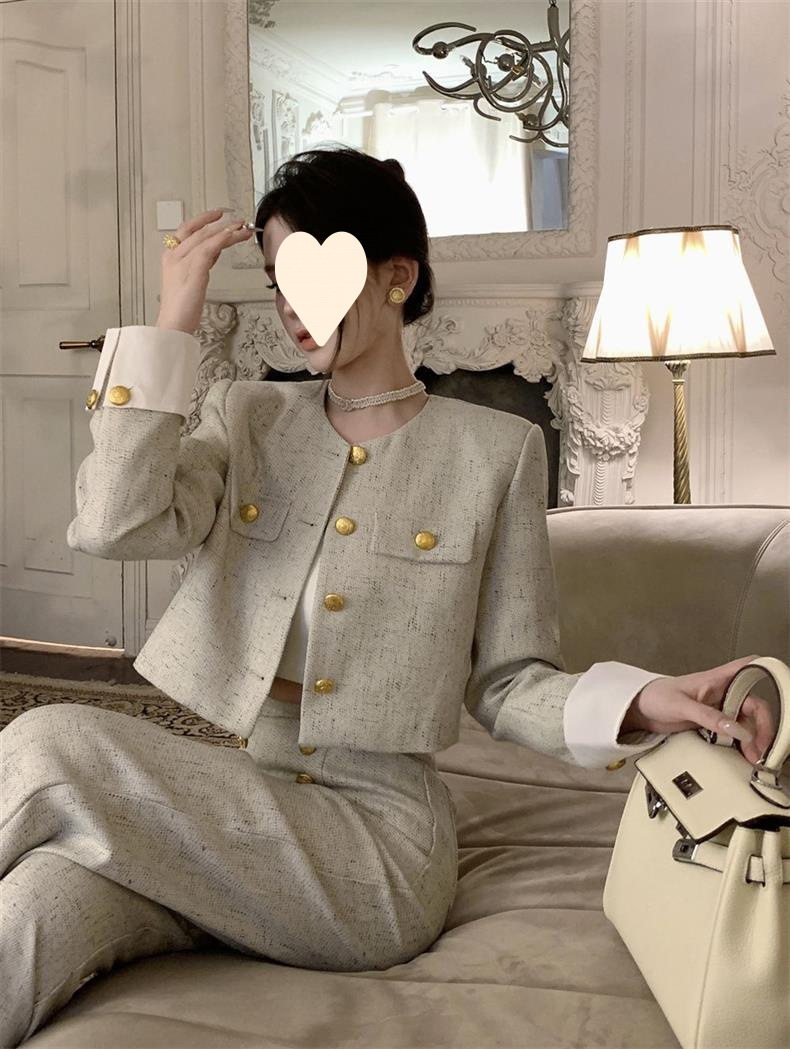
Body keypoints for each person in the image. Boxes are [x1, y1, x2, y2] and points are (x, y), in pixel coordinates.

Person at [0, 146, 775, 1048]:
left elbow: (510, 681)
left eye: (315, 277)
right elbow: (114, 524)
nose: (293, 308)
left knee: (50, 741)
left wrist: (645, 699)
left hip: (374, 852)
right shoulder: (245, 416)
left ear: (397, 276)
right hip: (233, 801)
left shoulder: (494, 454)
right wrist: (172, 321)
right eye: (279, 283)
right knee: (43, 899)